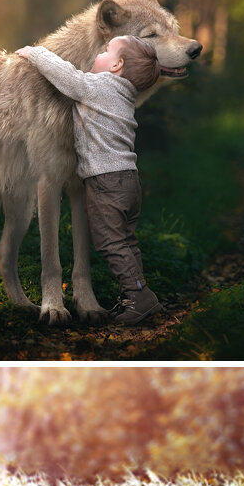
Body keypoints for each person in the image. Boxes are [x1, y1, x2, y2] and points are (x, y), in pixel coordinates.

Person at [16, 36, 163, 324]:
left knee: (110, 243)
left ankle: (139, 298)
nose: (99, 52)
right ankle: (138, 292)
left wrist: (36, 53)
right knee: (127, 242)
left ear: (117, 65)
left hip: (105, 181)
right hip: (128, 180)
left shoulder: (99, 87)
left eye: (106, 51)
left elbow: (68, 78)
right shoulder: (124, 94)